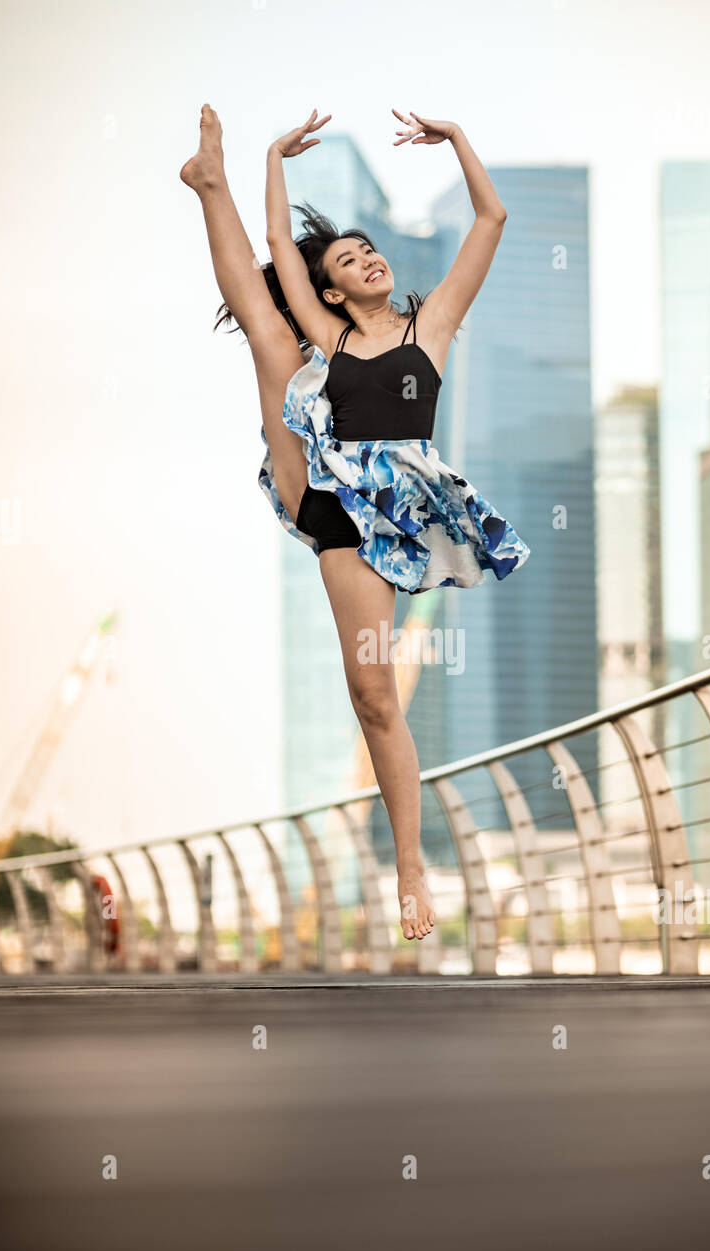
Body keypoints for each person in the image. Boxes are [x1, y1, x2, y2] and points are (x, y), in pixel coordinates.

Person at [181, 105, 530, 944]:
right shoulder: (328, 334)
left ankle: (408, 864)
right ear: (330, 288)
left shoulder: (430, 325)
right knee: (272, 336)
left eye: (369, 248)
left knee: (375, 696)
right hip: (329, 495)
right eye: (346, 257)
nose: (368, 257)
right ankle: (209, 184)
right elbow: (279, 248)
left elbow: (491, 218)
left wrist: (458, 139)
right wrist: (269, 157)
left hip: (398, 513)